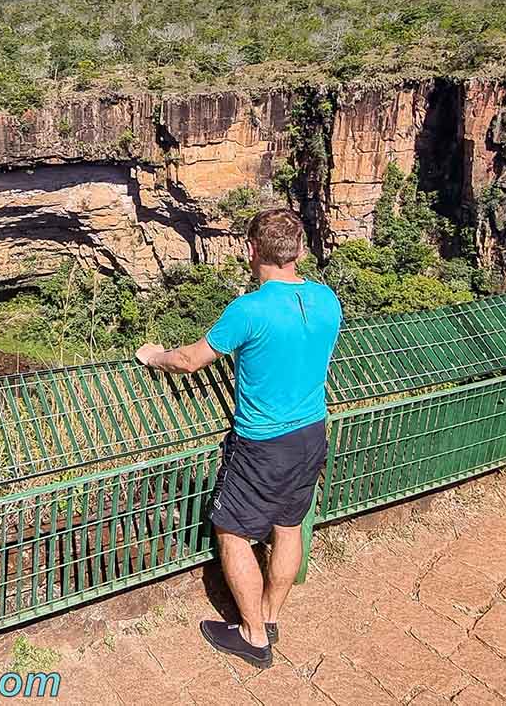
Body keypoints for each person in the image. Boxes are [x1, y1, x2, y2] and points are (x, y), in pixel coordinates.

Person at [135, 208, 342, 669]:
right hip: (311, 431)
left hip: (262, 442)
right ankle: (268, 616)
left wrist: (153, 356)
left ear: (252, 251)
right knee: (288, 527)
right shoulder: (328, 300)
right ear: (301, 251)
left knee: (232, 532)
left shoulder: (248, 310)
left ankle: (252, 637)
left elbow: (191, 360)